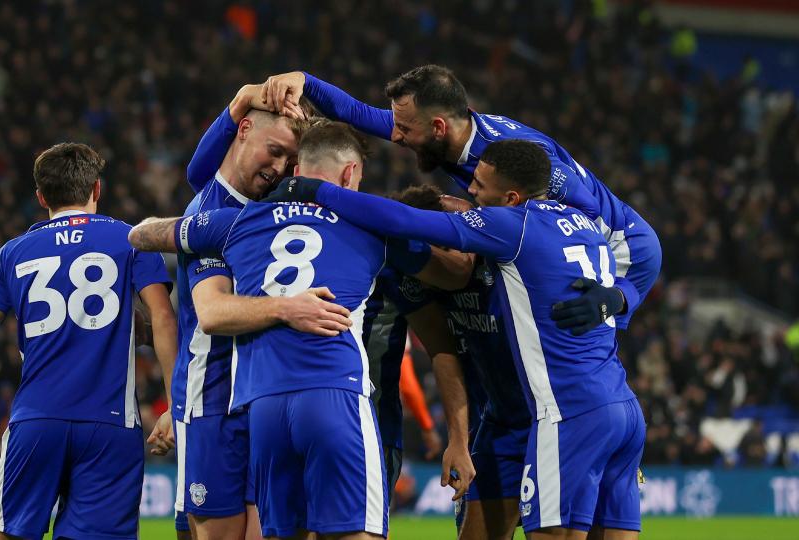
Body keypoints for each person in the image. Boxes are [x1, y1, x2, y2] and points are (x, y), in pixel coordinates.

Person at [266, 139, 645, 539]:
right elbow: (640, 249)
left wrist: (316, 191)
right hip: (525, 419)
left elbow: (405, 222)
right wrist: (622, 296)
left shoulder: (507, 233)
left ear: (511, 198)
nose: (471, 192)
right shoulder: (580, 219)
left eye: (480, 185)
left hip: (565, 410)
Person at [129, 120, 475, 539]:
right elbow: (454, 275)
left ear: (297, 169)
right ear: (349, 175)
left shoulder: (236, 222)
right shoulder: (371, 227)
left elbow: (143, 233)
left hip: (265, 407)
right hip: (336, 394)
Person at [259, 66, 660, 334]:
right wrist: (304, 80)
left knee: (567, 352)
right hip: (575, 245)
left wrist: (621, 295)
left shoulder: (515, 153)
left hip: (622, 251)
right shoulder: (453, 135)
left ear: (437, 127)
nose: (395, 136)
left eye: (403, 128)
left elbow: (584, 208)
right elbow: (357, 112)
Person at [0, 142, 178, 540]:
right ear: (96, 190)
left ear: (41, 197)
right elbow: (162, 317)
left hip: (36, 421)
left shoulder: (10, 256)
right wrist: (174, 404)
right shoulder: (132, 241)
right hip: (111, 426)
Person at [162, 85, 354, 540]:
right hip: (213, 400)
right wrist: (290, 309)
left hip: (263, 401)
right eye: (273, 151)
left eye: (289, 161)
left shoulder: (264, 209)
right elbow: (212, 314)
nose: (278, 169)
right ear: (244, 130)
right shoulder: (208, 212)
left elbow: (199, 165)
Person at [394, 185, 531, 540]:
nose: (457, 254)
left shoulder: (504, 259)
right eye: (442, 246)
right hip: (491, 431)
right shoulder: (418, 282)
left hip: (549, 422)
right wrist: (458, 441)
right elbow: (444, 353)